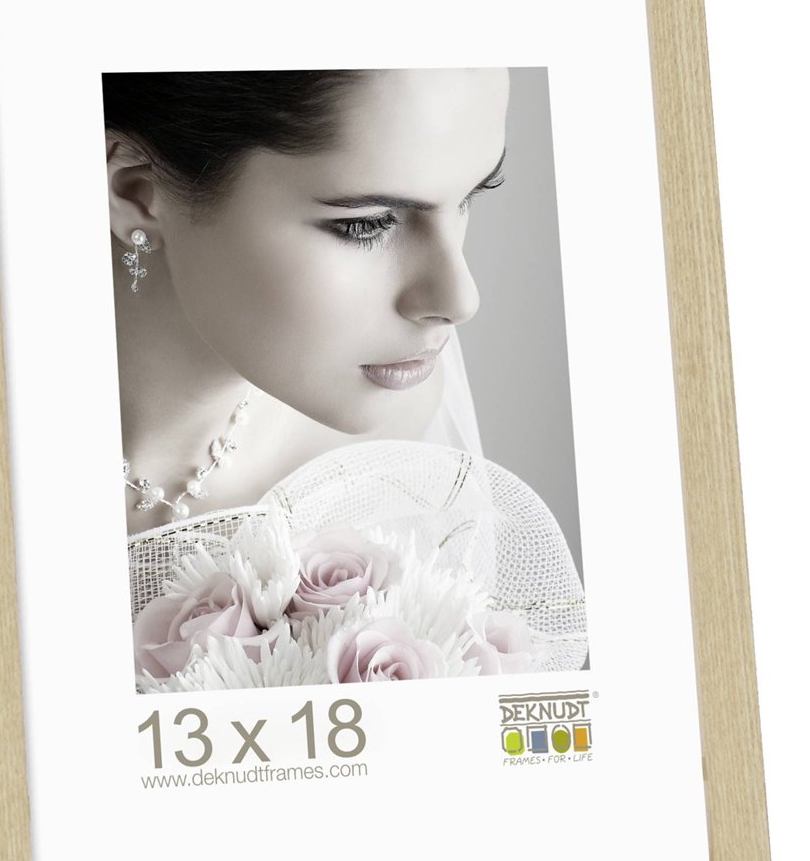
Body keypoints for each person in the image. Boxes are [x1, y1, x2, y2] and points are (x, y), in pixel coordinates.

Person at [103, 69, 509, 536]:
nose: (461, 300)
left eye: (469, 199)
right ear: (136, 194)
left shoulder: (395, 443)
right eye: (366, 224)